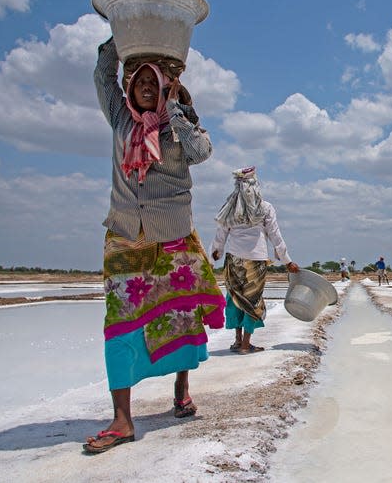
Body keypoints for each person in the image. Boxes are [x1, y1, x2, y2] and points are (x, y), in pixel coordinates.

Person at [85, 37, 226, 454]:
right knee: (120, 324)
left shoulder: (179, 129)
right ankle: (122, 420)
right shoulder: (121, 120)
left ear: (167, 87)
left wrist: (176, 108)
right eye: (140, 81)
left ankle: (182, 389)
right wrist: (121, 37)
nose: (146, 87)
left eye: (155, 82)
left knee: (180, 317)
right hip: (126, 237)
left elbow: (201, 152)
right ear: (130, 88)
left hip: (173, 239)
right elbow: (102, 76)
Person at [211, 167, 299, 354]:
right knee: (253, 299)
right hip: (256, 261)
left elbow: (221, 234)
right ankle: (245, 344)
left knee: (235, 298)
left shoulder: (230, 206)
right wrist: (287, 261)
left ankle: (237, 341)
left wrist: (215, 253)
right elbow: (275, 235)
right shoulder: (265, 207)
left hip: (234, 260)